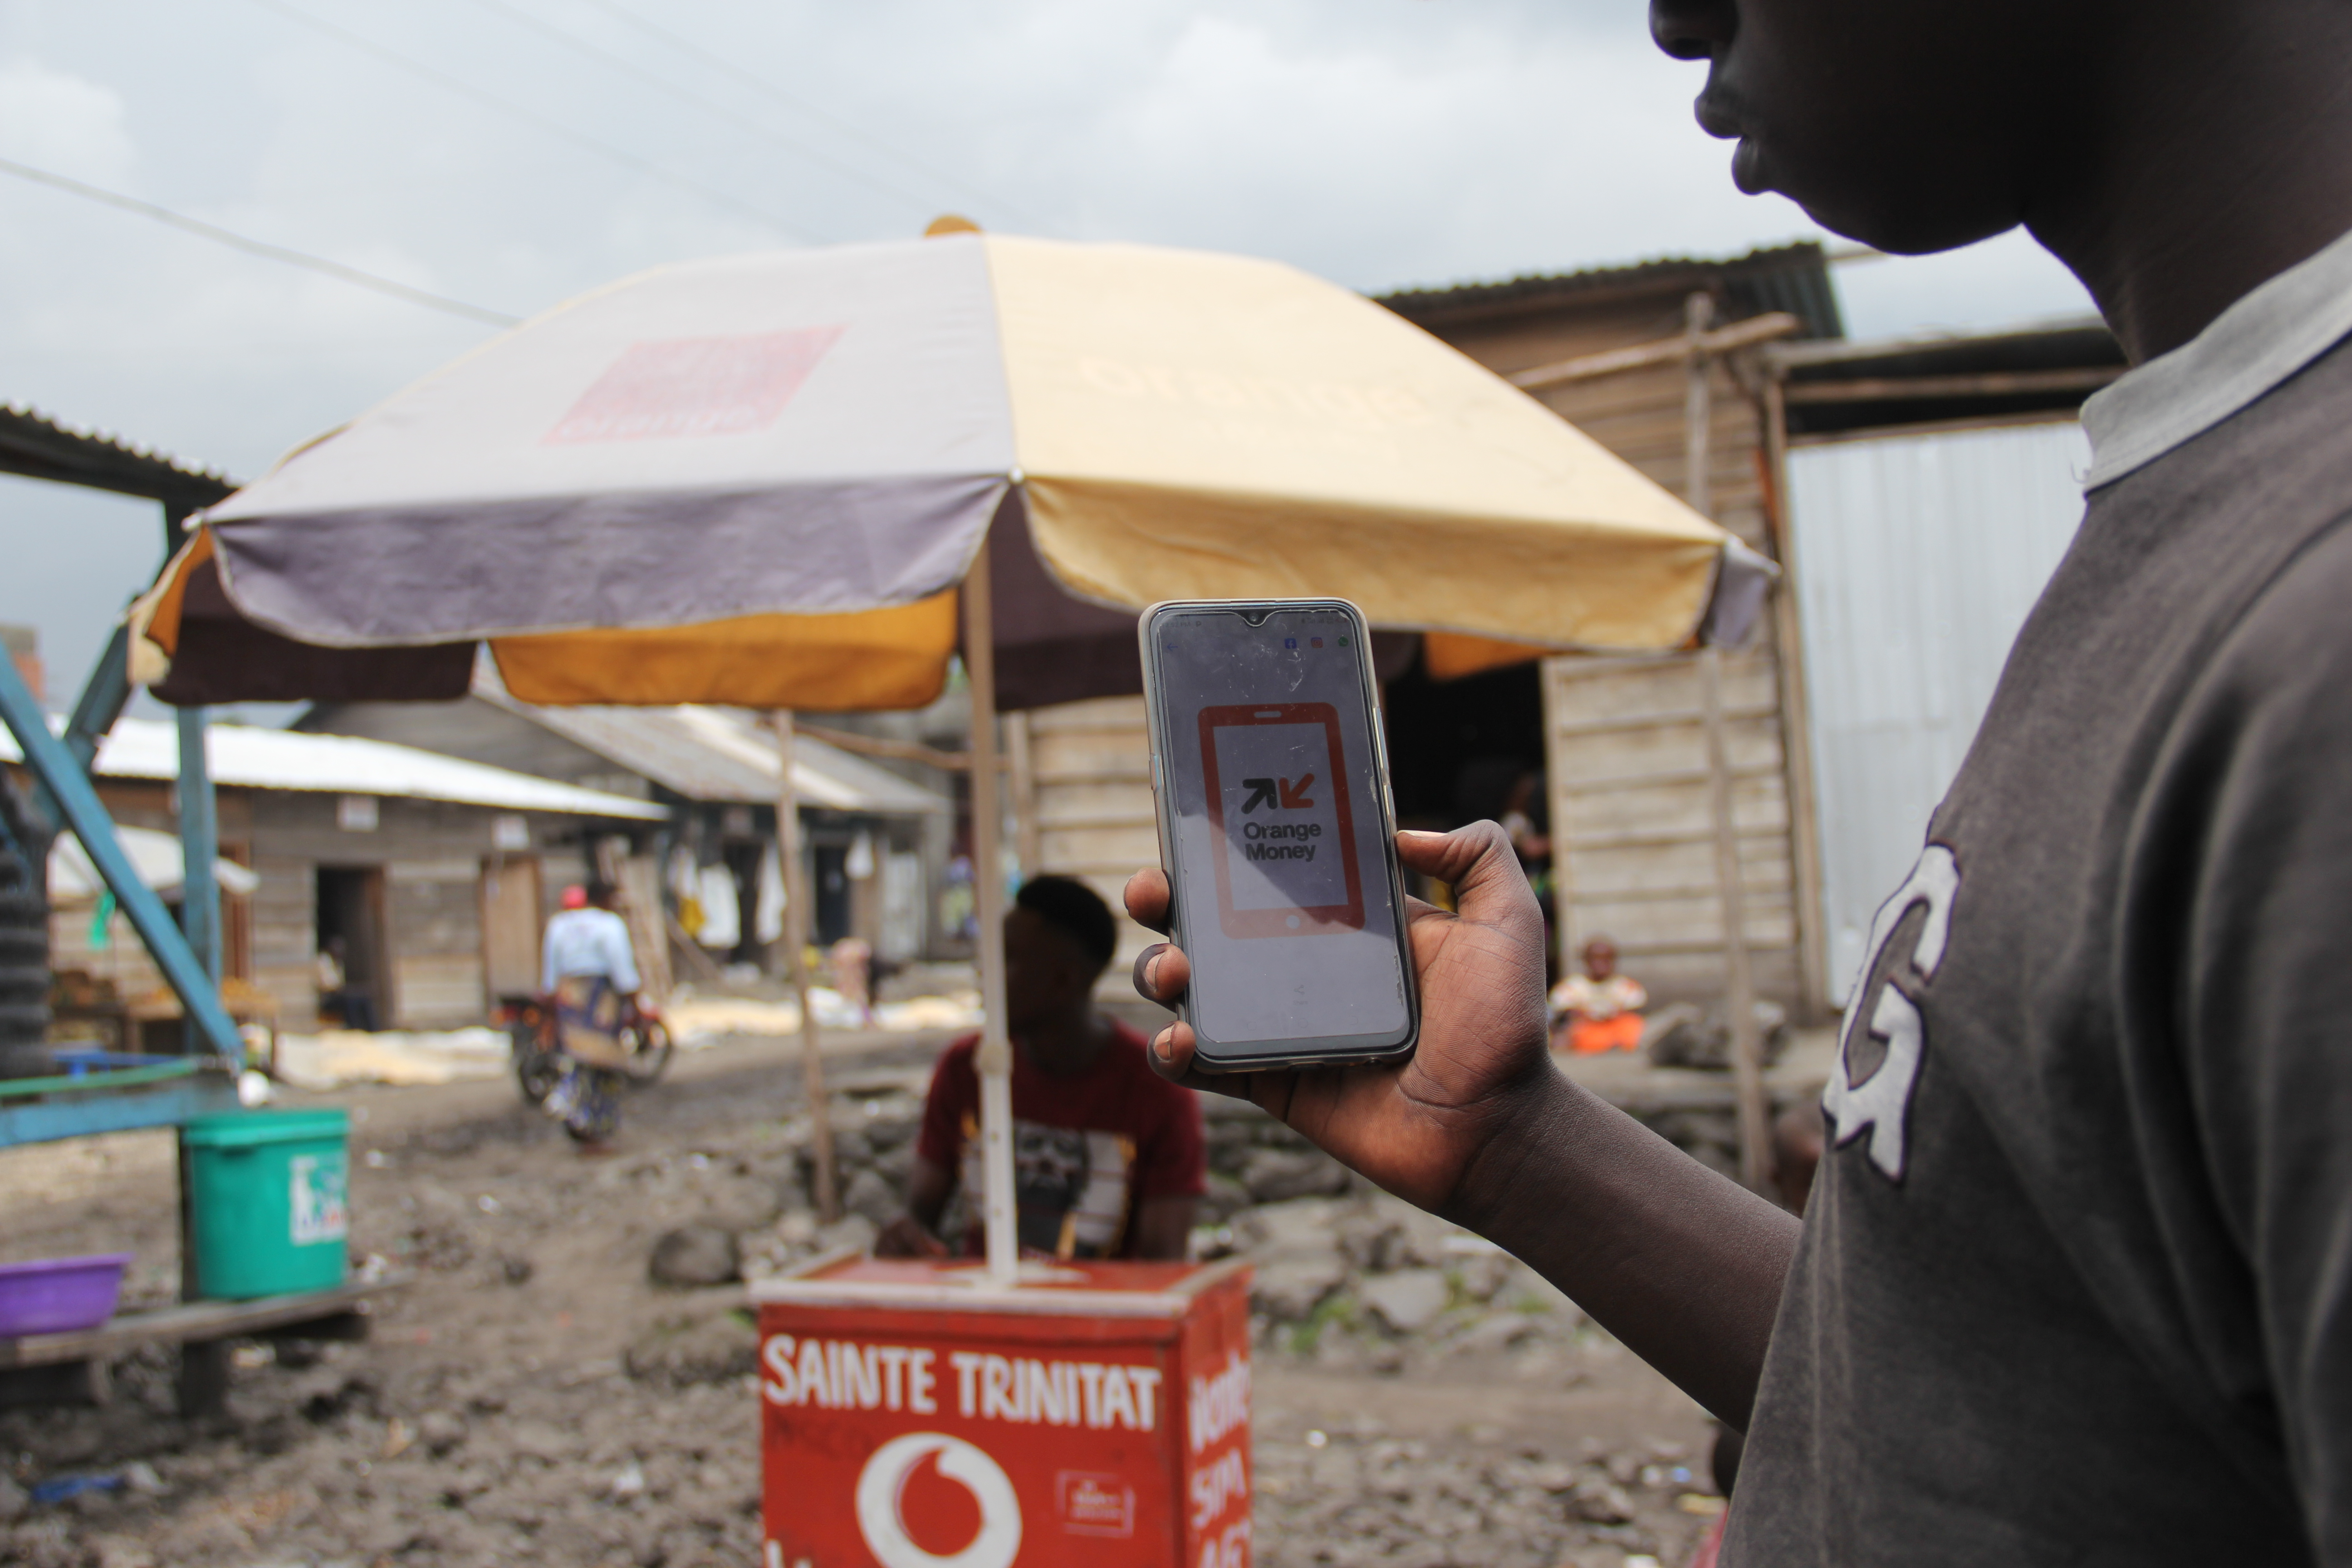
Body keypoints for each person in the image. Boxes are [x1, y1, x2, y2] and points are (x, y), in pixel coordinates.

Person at [1127, 2, 2352, 1558]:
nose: (1666, 16)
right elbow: (1997, 1406)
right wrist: (1516, 1143)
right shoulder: (2200, 507)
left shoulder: (2318, 625)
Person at [877, 876, 1203, 1261]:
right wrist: (907, 1239)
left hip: (1104, 1317)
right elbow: (920, 1215)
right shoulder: (967, 1068)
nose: (986, 976)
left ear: (1064, 979)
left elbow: (1162, 1265)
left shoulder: (1156, 1090)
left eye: (1008, 959)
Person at [539, 880, 642, 1151]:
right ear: (607, 899)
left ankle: (577, 1123)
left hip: (570, 997)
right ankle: (596, 1129)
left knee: (575, 1060)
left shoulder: (559, 925)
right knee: (603, 1065)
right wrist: (636, 1007)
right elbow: (624, 972)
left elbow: (550, 974)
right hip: (600, 999)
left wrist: (550, 1013)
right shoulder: (610, 925)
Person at [1549, 936, 1648, 1054]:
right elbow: (1562, 1014)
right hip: (1586, 1029)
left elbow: (1634, 1011)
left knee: (1632, 1025)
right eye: (1595, 959)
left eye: (1606, 959)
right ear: (1586, 960)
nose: (1601, 964)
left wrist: (1612, 1015)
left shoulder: (1627, 986)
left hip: (1613, 1028)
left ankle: (1615, 1045)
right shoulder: (1572, 986)